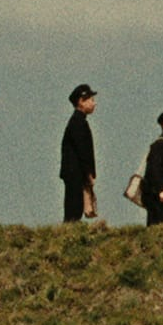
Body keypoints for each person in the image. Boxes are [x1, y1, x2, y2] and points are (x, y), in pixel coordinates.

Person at [58, 84, 98, 222]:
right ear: (81, 101)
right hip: (75, 173)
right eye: (91, 100)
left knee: (76, 207)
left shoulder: (78, 121)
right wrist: (89, 174)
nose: (94, 103)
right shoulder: (77, 123)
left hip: (75, 173)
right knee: (74, 209)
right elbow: (83, 152)